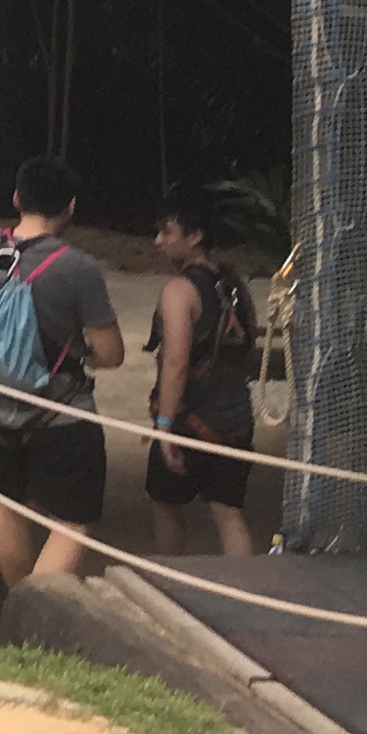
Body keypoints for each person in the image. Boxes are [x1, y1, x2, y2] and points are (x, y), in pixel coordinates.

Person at [0, 153, 123, 586]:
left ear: (16, 198)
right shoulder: (78, 268)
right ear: (71, 206)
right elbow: (111, 354)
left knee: (9, 505)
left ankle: (18, 609)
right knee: (72, 523)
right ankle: (40, 615)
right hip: (61, 415)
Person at [145, 189, 263, 559]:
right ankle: (245, 597)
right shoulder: (234, 285)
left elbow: (176, 361)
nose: (158, 242)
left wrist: (164, 426)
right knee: (228, 514)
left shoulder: (179, 290)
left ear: (195, 237)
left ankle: (172, 583)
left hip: (190, 418)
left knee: (164, 502)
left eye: (167, 233)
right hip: (235, 416)